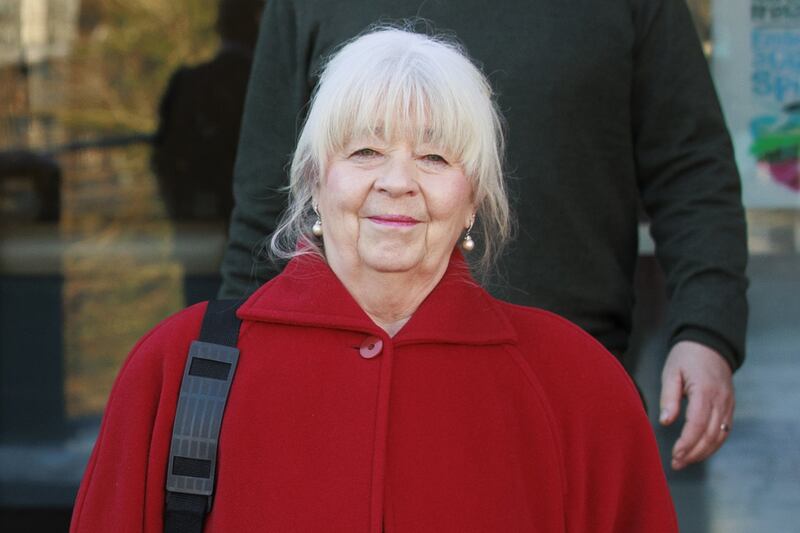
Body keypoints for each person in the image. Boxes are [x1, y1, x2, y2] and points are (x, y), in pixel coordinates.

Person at [70, 29, 677, 531]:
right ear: (312, 181)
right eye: (364, 151)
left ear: (473, 201)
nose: (397, 182)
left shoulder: (579, 385)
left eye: (435, 158)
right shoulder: (176, 368)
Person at [219, 0, 749, 471]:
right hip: (340, 395)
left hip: (563, 394)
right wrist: (227, 372)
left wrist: (706, 329)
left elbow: (691, 168)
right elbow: (269, 196)